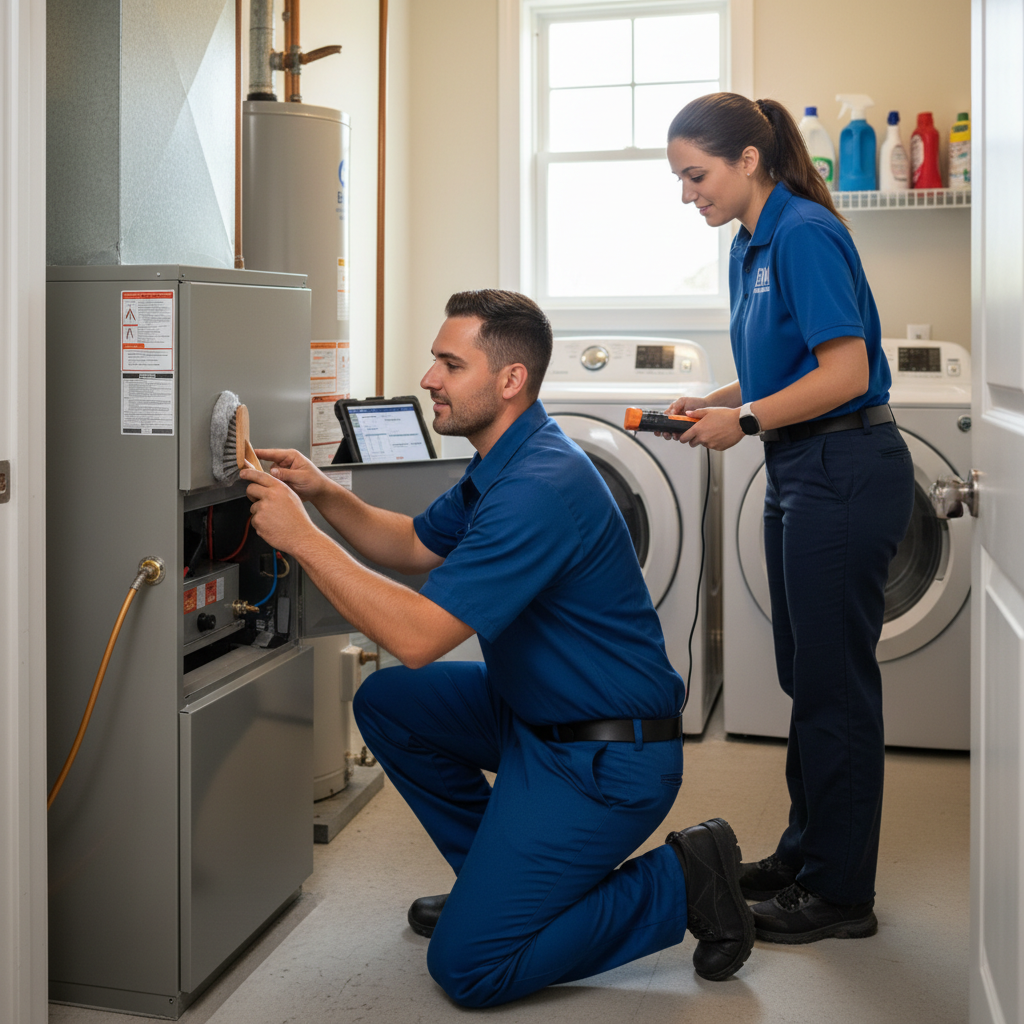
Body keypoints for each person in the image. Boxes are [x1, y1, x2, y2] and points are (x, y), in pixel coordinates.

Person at [240, 289, 755, 1008]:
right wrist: (323, 493)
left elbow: (417, 638)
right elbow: (413, 544)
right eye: (435, 361)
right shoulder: (507, 459)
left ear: (510, 380)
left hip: (605, 759)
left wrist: (301, 539)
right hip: (534, 717)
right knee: (389, 703)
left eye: (450, 365)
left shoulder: (537, 487)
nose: (429, 379)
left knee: (471, 968)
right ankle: (497, 886)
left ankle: (684, 880)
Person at [658, 93, 915, 945]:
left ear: (748, 160)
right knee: (808, 677)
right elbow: (785, 367)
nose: (688, 193)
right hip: (798, 466)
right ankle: (809, 853)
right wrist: (719, 401)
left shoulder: (802, 232)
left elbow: (845, 374)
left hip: (845, 467)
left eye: (697, 175)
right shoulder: (750, 242)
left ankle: (841, 894)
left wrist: (744, 421)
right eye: (680, 179)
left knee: (835, 686)